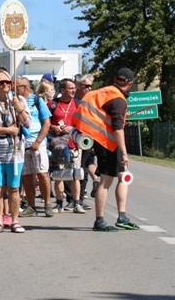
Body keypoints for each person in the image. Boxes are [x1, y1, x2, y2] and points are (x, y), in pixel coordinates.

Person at [72, 68, 139, 232]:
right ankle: (99, 220)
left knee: (123, 176)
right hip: (108, 143)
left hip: (101, 140)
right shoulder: (118, 100)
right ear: (130, 84)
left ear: (115, 79)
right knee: (105, 182)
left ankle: (122, 216)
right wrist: (124, 152)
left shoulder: (106, 92)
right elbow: (117, 129)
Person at [0, 68, 31, 234]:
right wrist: (6, 130)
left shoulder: (19, 101)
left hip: (14, 149)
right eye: (1, 83)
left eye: (7, 82)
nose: (4, 85)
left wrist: (20, 109)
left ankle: (15, 220)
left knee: (14, 187)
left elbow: (27, 123)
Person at [16, 76, 56, 217]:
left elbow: (47, 123)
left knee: (42, 174)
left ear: (24, 87)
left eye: (17, 87)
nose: (14, 90)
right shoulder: (16, 102)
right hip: (22, 144)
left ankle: (47, 204)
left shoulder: (37, 100)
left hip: (37, 144)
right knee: (27, 176)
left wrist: (38, 142)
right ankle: (31, 206)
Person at [49, 78, 86, 214]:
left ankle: (77, 203)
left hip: (74, 143)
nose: (73, 90)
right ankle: (59, 204)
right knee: (59, 174)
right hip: (58, 145)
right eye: (70, 88)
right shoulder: (52, 104)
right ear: (62, 90)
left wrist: (72, 128)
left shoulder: (78, 104)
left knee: (76, 174)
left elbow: (85, 123)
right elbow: (46, 123)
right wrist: (54, 127)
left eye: (74, 88)